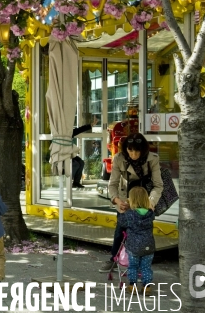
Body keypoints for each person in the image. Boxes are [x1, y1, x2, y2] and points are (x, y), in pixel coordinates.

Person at [98, 133, 163, 272]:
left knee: (144, 233)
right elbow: (112, 183)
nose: (133, 154)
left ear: (143, 149)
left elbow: (158, 185)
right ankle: (114, 259)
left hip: (145, 200)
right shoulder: (119, 159)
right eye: (130, 150)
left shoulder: (153, 159)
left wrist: (150, 203)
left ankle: (144, 263)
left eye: (137, 150)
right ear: (125, 149)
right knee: (120, 231)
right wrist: (116, 200)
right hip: (124, 197)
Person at [123, 186, 156, 295]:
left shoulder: (129, 214)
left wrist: (125, 210)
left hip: (134, 246)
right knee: (146, 267)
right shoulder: (151, 214)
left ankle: (132, 286)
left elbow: (121, 223)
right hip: (148, 245)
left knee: (133, 266)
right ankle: (147, 287)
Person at [71, 116, 98, 189]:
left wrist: (91, 125)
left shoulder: (70, 132)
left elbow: (80, 129)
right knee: (75, 164)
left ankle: (76, 182)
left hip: (70, 155)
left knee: (81, 162)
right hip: (63, 155)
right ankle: (69, 181)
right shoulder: (61, 133)